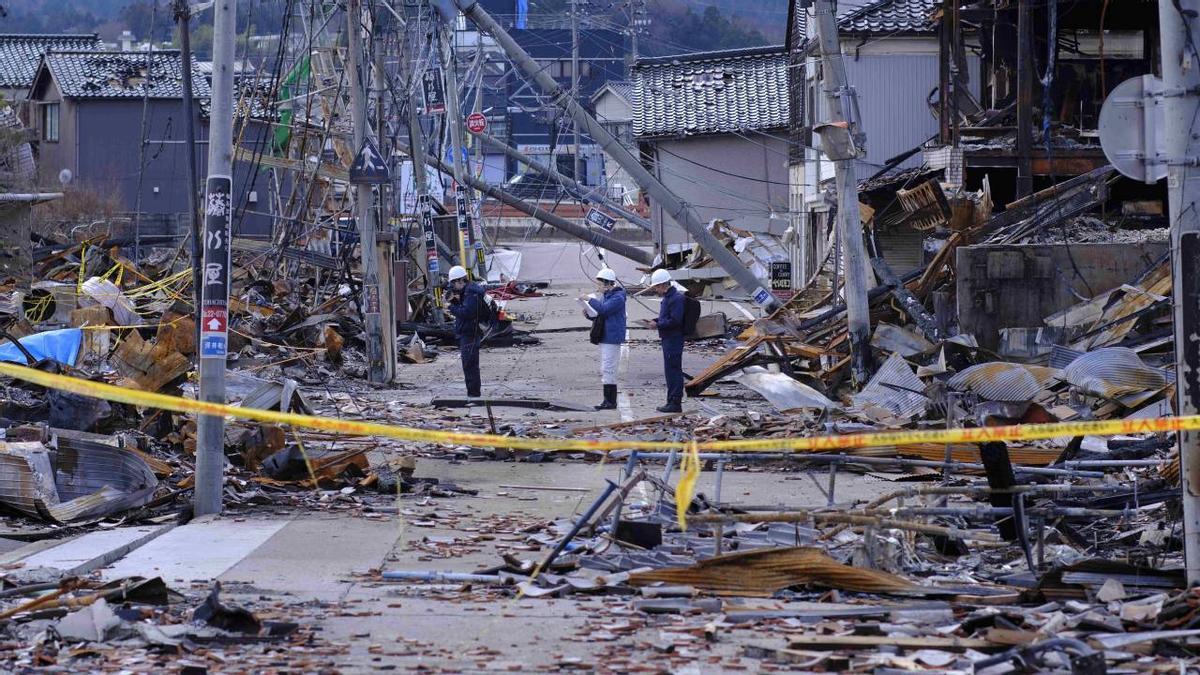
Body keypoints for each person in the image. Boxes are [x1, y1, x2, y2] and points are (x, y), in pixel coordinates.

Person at [582, 267, 626, 410]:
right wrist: (588, 313)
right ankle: (608, 400)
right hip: (606, 336)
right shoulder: (607, 296)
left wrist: (589, 300)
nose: (598, 287)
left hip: (611, 338)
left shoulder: (617, 298)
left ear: (608, 284)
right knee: (606, 368)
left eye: (600, 284)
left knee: (609, 368)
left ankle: (610, 401)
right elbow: (600, 313)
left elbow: (604, 310)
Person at [648, 268, 684, 413]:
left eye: (656, 286)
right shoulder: (669, 298)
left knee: (673, 370)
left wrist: (658, 324)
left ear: (663, 284)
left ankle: (675, 402)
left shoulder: (676, 298)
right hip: (669, 338)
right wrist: (657, 320)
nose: (656, 289)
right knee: (670, 370)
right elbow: (668, 317)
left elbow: (675, 320)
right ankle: (671, 401)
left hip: (673, 338)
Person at [445, 265, 485, 398]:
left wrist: (451, 307)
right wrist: (456, 301)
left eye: (454, 284)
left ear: (460, 281)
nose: (453, 288)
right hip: (468, 333)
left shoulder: (471, 293)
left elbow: (468, 312)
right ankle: (473, 394)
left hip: (470, 334)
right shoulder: (469, 291)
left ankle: (474, 395)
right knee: (469, 365)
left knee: (470, 365)